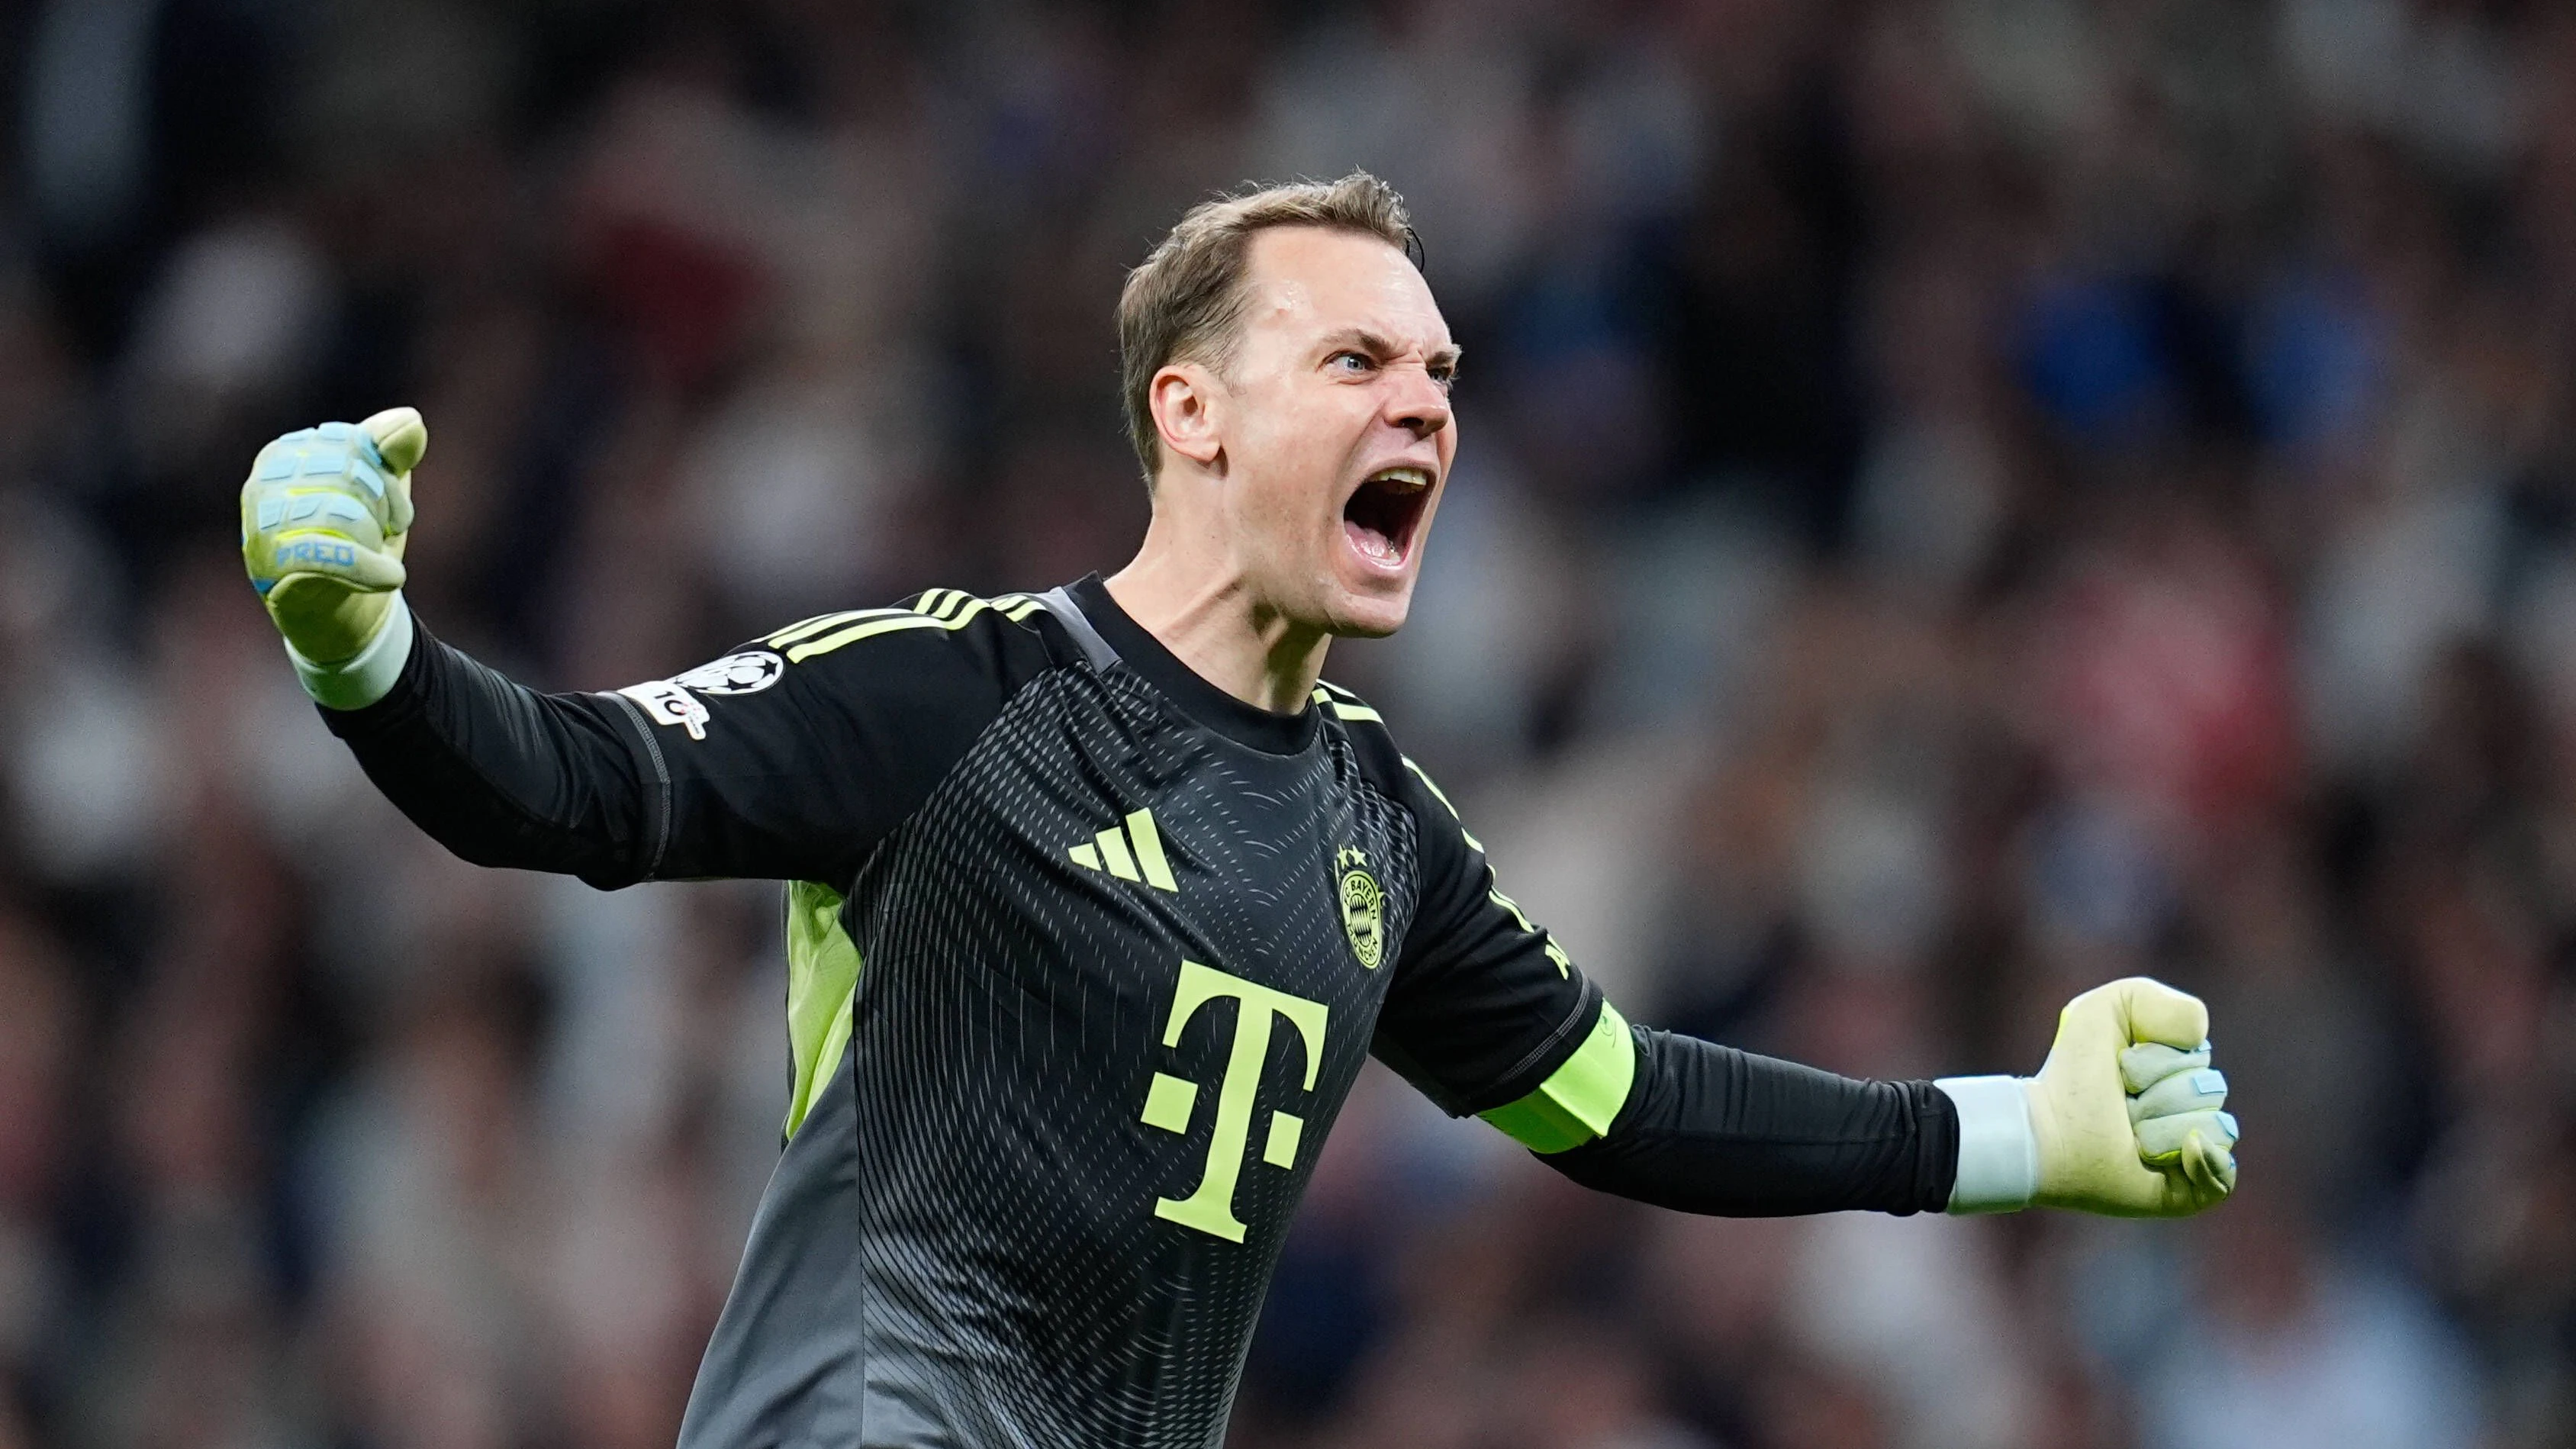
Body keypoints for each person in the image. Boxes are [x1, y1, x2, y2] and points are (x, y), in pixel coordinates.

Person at [237, 172, 2237, 1448]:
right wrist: (372, 659)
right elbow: (571, 790)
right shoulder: (955, 698)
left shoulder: (1380, 834)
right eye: (1354, 357)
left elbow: (1627, 1107)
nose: (1426, 409)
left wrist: (2016, 1135)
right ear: (1191, 413)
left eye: (1440, 372)